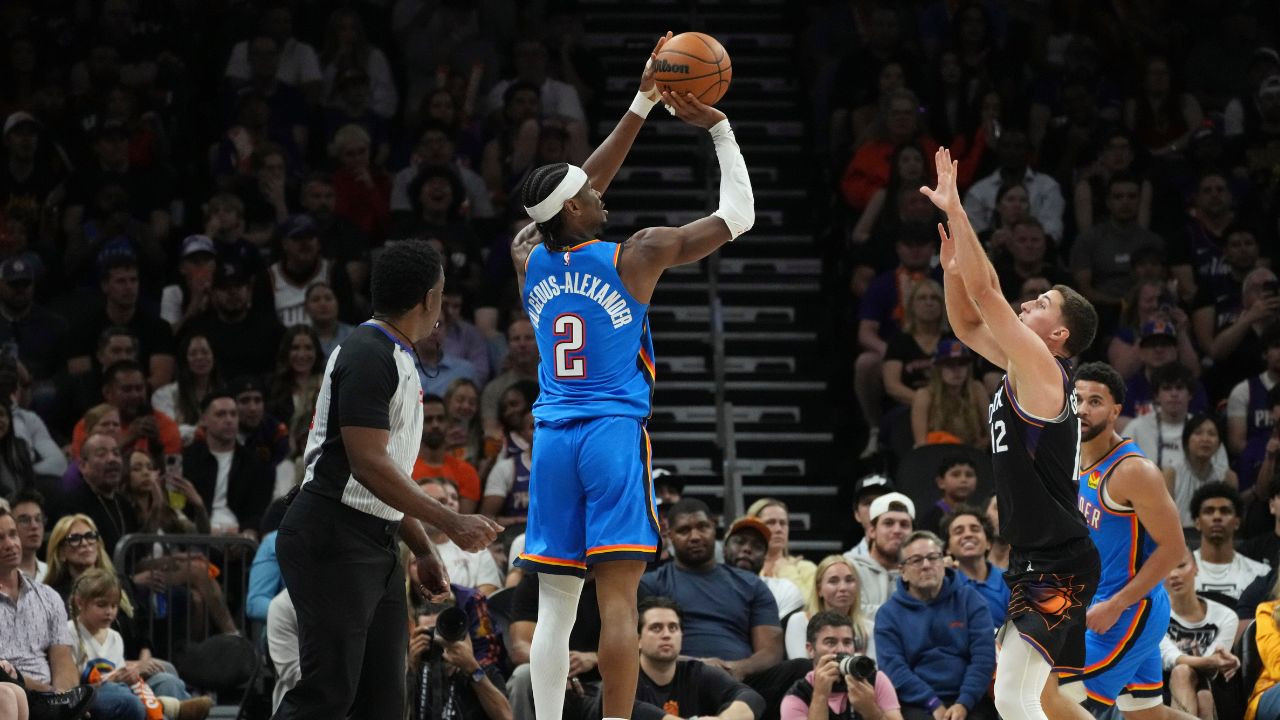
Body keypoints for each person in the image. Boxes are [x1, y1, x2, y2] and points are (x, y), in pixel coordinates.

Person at [509, 33, 756, 720]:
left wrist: (642, 103)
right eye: (589, 193)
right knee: (617, 601)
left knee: (556, 608)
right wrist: (721, 129)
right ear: (574, 210)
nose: (600, 191)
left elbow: (561, 201)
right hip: (611, 435)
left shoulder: (527, 256)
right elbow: (740, 216)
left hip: (552, 438)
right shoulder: (637, 254)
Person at [272, 240, 500, 720]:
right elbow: (367, 465)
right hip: (332, 533)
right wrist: (452, 522)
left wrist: (422, 548)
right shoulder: (368, 353)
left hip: (374, 539)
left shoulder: (396, 355)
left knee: (384, 703)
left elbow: (386, 477)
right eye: (442, 292)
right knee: (327, 695)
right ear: (429, 298)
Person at [922, 147, 1100, 720]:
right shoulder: (1024, 368)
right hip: (1035, 555)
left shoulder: (1046, 371)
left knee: (1012, 697)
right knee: (1032, 696)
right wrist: (953, 270)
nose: (1028, 302)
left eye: (1042, 303)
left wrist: (957, 210)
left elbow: (990, 295)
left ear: (1060, 334)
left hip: (1058, 561)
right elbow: (967, 323)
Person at [1062, 362, 1189, 716]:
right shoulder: (1075, 455)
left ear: (1116, 411)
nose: (1083, 409)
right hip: (1100, 605)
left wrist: (1116, 604)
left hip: (1128, 612)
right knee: (1147, 715)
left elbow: (1174, 548)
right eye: (1077, 399)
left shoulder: (1133, 471)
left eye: (1095, 401)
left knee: (1052, 695)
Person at [638, 499, 803, 717]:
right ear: (669, 535)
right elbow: (637, 644)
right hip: (675, 677)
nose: (695, 536)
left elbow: (771, 651)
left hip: (741, 680)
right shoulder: (650, 583)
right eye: (684, 530)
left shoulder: (751, 584)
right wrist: (698, 665)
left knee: (802, 668)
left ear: (714, 527)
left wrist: (738, 669)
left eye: (702, 527)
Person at [873, 530, 997, 720]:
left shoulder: (971, 600)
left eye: (933, 558)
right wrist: (932, 703)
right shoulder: (888, 614)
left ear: (943, 562)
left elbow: (983, 658)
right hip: (916, 703)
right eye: (916, 560)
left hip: (971, 699)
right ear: (902, 572)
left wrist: (964, 703)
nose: (926, 565)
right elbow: (894, 669)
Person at [67, 568, 213, 720]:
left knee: (168, 681)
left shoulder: (115, 637)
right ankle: (168, 708)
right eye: (101, 605)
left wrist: (132, 674)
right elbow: (69, 688)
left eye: (114, 606)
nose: (109, 612)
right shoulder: (68, 633)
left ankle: (167, 708)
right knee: (126, 698)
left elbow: (119, 674)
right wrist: (113, 680)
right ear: (80, 602)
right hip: (90, 695)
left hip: (120, 688)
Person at [0, 504, 95, 715]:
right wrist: (48, 692)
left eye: (13, 535)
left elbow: (63, 661)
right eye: (0, 538)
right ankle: (51, 704)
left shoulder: (48, 597)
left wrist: (62, 694)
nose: (10, 544)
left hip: (46, 696)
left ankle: (57, 706)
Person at [624, 596, 766, 720]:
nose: (666, 635)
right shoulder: (624, 679)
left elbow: (751, 697)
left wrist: (724, 718)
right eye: (656, 628)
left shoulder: (697, 673)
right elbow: (630, 709)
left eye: (673, 628)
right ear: (638, 640)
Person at [780, 611, 904, 720]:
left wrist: (871, 711)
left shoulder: (875, 680)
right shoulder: (798, 695)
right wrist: (820, 696)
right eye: (830, 642)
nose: (841, 649)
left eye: (847, 642)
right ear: (810, 649)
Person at [1161, 550, 1240, 720]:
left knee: (1204, 696)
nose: (1174, 574)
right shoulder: (1154, 615)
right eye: (1166, 568)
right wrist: (1215, 661)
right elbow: (1170, 658)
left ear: (1196, 568)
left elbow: (1212, 668)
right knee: (1183, 673)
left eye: (1181, 565)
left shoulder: (1226, 616)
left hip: (1214, 689)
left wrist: (1216, 661)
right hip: (1163, 691)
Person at [722, 515, 808, 659]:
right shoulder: (704, 584)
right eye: (740, 542)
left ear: (765, 557)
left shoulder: (783, 589)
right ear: (724, 548)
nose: (747, 549)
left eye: (757, 546)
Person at [1190, 483, 1269, 609]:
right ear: (1197, 522)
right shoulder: (1176, 574)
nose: (1217, 517)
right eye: (1209, 511)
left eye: (1225, 511)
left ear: (1237, 522)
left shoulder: (1261, 574)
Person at [940, 505, 1009, 628]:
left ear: (988, 543)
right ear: (948, 548)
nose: (968, 535)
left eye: (975, 529)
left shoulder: (1011, 581)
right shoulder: (942, 584)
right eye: (958, 531)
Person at [847, 493, 915, 613]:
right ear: (872, 531)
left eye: (904, 525)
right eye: (888, 523)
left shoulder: (920, 571)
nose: (897, 530)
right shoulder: (849, 568)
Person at [412, 395, 482, 512]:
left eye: (440, 419)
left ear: (448, 423)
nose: (435, 425)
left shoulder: (467, 472)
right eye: (428, 420)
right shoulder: (404, 469)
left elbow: (464, 520)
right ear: (416, 424)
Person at [748, 498, 819, 612]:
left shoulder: (806, 568)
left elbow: (812, 608)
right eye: (770, 522)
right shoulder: (745, 569)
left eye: (783, 523)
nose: (778, 529)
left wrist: (788, 571)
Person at [808, 556, 877, 660]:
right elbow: (801, 665)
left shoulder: (869, 628)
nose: (843, 588)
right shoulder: (801, 621)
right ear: (819, 590)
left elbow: (872, 668)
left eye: (849, 580)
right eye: (833, 581)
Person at [917, 456, 979, 535]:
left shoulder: (979, 517)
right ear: (941, 482)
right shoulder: (930, 520)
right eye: (956, 475)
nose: (963, 480)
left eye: (969, 475)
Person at [12, 488, 47, 580]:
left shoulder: (51, 573)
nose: (34, 526)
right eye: (25, 520)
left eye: (38, 519)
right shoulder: (4, 575)